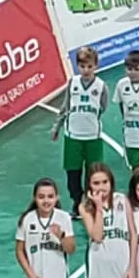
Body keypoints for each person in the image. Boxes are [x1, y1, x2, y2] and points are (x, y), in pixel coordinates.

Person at [53, 45, 107, 211]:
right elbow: (65, 106)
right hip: (73, 136)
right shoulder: (73, 83)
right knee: (72, 174)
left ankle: (91, 202)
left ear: (96, 66)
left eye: (89, 66)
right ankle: (77, 202)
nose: (86, 70)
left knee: (93, 173)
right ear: (78, 66)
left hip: (92, 137)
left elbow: (103, 107)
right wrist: (57, 126)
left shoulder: (101, 86)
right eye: (82, 66)